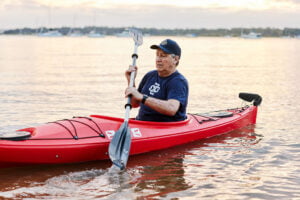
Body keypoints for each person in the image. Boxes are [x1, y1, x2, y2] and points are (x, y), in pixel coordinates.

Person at [125, 39, 189, 122]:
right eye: (157, 55)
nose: (158, 59)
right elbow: (134, 104)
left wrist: (142, 97)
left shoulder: (178, 81)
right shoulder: (149, 76)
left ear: (175, 59)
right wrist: (131, 81)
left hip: (167, 127)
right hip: (142, 124)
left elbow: (171, 109)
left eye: (163, 56)